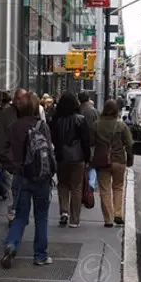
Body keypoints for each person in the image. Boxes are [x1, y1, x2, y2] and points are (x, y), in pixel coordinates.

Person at [0, 91, 57, 268]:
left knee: (20, 216)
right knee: (41, 217)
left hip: (21, 176)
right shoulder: (42, 126)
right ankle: (40, 255)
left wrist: (13, 167)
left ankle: (11, 244)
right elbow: (49, 151)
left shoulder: (14, 126)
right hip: (40, 177)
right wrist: (51, 173)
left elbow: (5, 149)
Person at [51, 92, 91, 228]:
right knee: (76, 187)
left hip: (61, 156)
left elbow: (53, 139)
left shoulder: (56, 120)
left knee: (62, 184)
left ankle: (64, 211)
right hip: (78, 157)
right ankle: (74, 219)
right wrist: (87, 158)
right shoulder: (80, 119)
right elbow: (86, 141)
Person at [93, 99, 134, 227]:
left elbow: (90, 143)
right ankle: (118, 214)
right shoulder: (121, 126)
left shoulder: (96, 125)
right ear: (117, 111)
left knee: (104, 190)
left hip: (102, 160)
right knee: (118, 187)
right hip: (119, 160)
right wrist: (130, 160)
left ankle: (108, 218)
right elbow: (129, 144)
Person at [0, 89, 26, 221]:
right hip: (11, 159)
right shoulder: (6, 114)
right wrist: (5, 157)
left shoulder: (28, 112)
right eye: (18, 98)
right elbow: (0, 137)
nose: (20, 101)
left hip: (25, 160)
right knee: (13, 188)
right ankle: (13, 212)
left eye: (23, 99)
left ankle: (17, 212)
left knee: (21, 189)